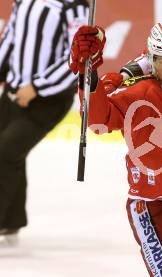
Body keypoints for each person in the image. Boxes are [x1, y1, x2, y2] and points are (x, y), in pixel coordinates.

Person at [69, 22, 162, 276]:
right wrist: (91, 72)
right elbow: (98, 120)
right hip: (157, 205)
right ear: (152, 60)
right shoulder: (138, 92)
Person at [0, 0, 89, 246]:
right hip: (13, 92)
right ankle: (10, 220)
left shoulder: (73, 5)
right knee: (9, 154)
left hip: (48, 99)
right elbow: (11, 37)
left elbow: (77, 56)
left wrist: (37, 87)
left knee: (6, 150)